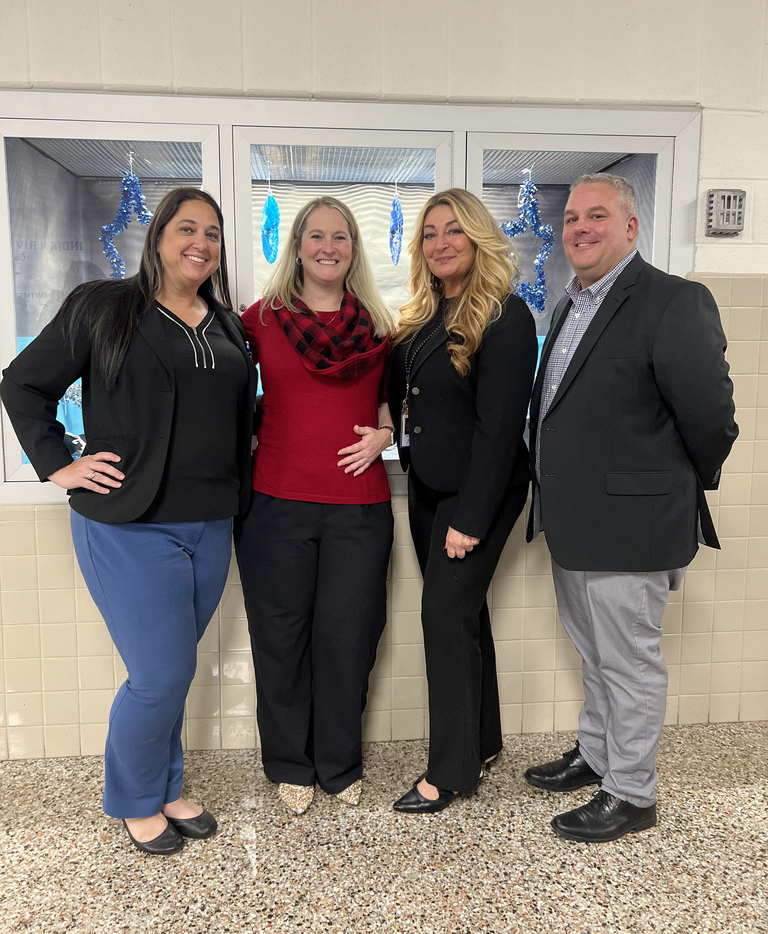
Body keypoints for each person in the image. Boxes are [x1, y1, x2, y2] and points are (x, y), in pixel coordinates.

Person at [0, 188, 257, 856]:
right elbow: (23, 384)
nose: (200, 243)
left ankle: (166, 787)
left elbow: (239, 423)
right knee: (161, 675)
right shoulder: (103, 305)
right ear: (158, 235)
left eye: (213, 233)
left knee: (174, 668)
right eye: (186, 228)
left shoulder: (226, 326)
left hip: (209, 524)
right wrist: (59, 464)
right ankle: (135, 800)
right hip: (128, 524)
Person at [525, 173, 738, 843]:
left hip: (633, 526)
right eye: (571, 219)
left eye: (597, 216)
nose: (580, 228)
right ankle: (597, 755)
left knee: (629, 660)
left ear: (630, 227)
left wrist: (671, 485)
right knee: (596, 653)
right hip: (574, 521)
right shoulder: (569, 305)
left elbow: (712, 418)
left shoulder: (673, 301)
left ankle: (632, 791)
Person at [234, 196, 395, 815]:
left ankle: (338, 761)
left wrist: (385, 434)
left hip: (358, 507)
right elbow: (221, 391)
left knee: (349, 636)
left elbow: (397, 405)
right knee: (281, 637)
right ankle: (288, 764)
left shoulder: (380, 327)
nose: (328, 247)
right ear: (296, 245)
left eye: (341, 237)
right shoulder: (259, 320)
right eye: (315, 236)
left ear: (354, 248)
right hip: (275, 505)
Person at [388, 188, 538, 813]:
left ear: (478, 238)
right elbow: (409, 400)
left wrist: (471, 519)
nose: (440, 242)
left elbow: (499, 429)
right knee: (465, 615)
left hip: (478, 494)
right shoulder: (425, 317)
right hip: (430, 490)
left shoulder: (505, 315)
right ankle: (482, 740)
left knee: (443, 618)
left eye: (454, 230)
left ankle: (450, 772)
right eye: (429, 233)